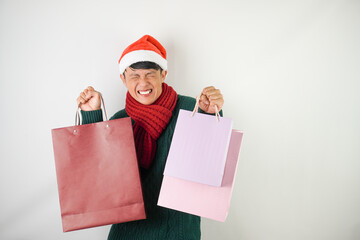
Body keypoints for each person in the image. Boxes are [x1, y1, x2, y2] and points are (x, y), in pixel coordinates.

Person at [76, 35, 224, 240]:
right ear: (123, 78)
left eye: (150, 74)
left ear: (163, 74)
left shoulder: (190, 109)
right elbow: (97, 177)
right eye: (134, 75)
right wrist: (92, 114)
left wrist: (208, 114)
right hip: (127, 233)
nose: (143, 82)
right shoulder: (119, 121)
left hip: (179, 233)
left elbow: (209, 160)